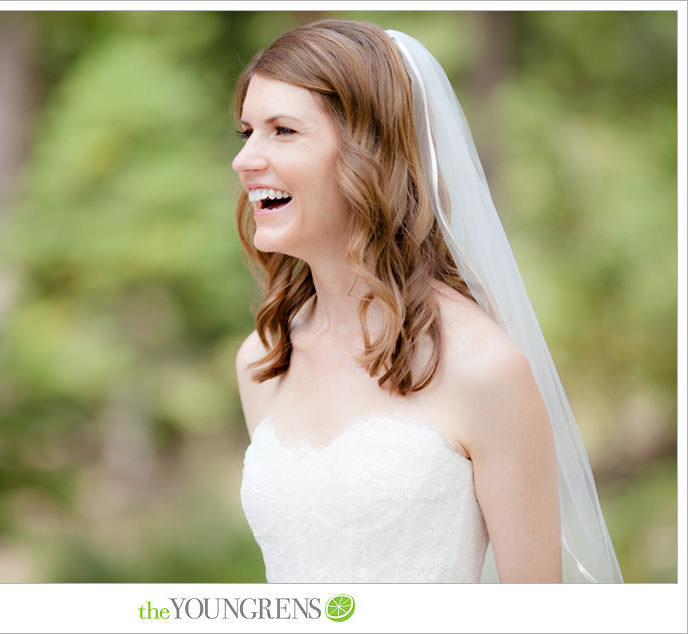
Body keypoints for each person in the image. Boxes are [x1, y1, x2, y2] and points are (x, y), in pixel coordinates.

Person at [233, 19, 622, 583]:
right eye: (247, 132)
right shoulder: (263, 360)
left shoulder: (483, 368)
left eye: (283, 131)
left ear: (372, 152)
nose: (245, 160)